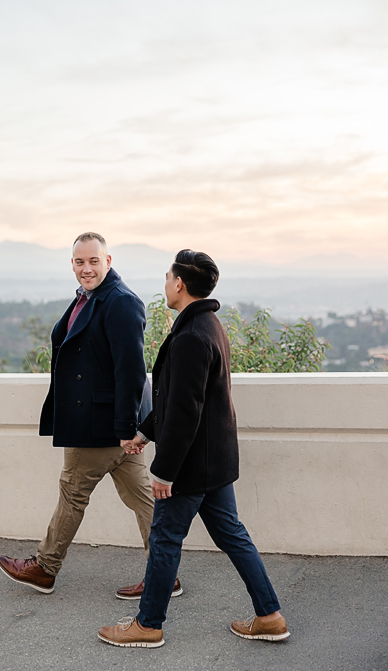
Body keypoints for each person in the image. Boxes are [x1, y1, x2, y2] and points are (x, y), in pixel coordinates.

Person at [98, 250, 288, 648]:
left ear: (180, 284)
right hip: (214, 460)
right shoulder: (210, 325)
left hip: (189, 465)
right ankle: (270, 616)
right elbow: (174, 397)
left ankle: (148, 625)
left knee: (165, 538)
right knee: (233, 535)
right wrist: (144, 433)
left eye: (168, 277)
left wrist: (163, 471)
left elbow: (185, 411)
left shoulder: (190, 337)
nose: (165, 283)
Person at [0, 232, 182, 600]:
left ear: (108, 261)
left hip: (102, 424)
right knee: (142, 497)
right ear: (72, 264)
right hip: (109, 421)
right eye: (80, 262)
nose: (86, 268)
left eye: (94, 261)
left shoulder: (121, 302)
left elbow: (130, 370)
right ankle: (165, 575)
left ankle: (45, 568)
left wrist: (126, 427)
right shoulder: (90, 297)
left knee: (72, 492)